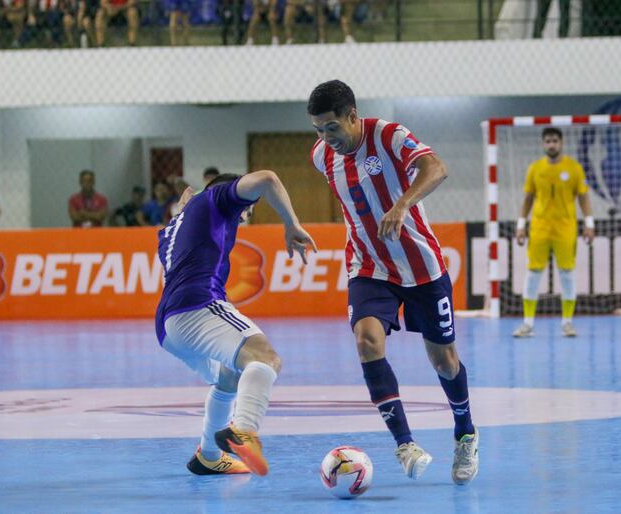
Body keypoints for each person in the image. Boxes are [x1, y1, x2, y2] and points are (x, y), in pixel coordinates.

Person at [307, 80, 479, 485]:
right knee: (367, 341)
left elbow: (436, 167)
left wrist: (401, 204)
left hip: (421, 267)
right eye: (318, 130)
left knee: (444, 360)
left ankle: (466, 432)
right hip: (368, 266)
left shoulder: (388, 135)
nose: (325, 138)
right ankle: (405, 444)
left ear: (353, 116)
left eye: (332, 127)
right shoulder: (321, 157)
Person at [155, 171, 316, 476]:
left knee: (229, 377)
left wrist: (187, 204)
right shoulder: (216, 199)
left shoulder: (172, 228)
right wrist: (291, 223)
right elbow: (268, 179)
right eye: (245, 210)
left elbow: (189, 216)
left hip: (168, 326)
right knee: (265, 358)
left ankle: (209, 456)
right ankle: (243, 430)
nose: (243, 218)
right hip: (199, 305)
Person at [512, 127, 594, 338]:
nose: (551, 144)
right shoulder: (535, 169)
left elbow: (584, 198)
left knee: (567, 273)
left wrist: (589, 223)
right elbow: (528, 199)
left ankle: (567, 322)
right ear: (543, 144)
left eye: (555, 141)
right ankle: (527, 323)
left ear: (561, 142)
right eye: (548, 141)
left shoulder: (574, 168)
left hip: (566, 229)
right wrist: (521, 225)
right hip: (539, 228)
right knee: (533, 274)